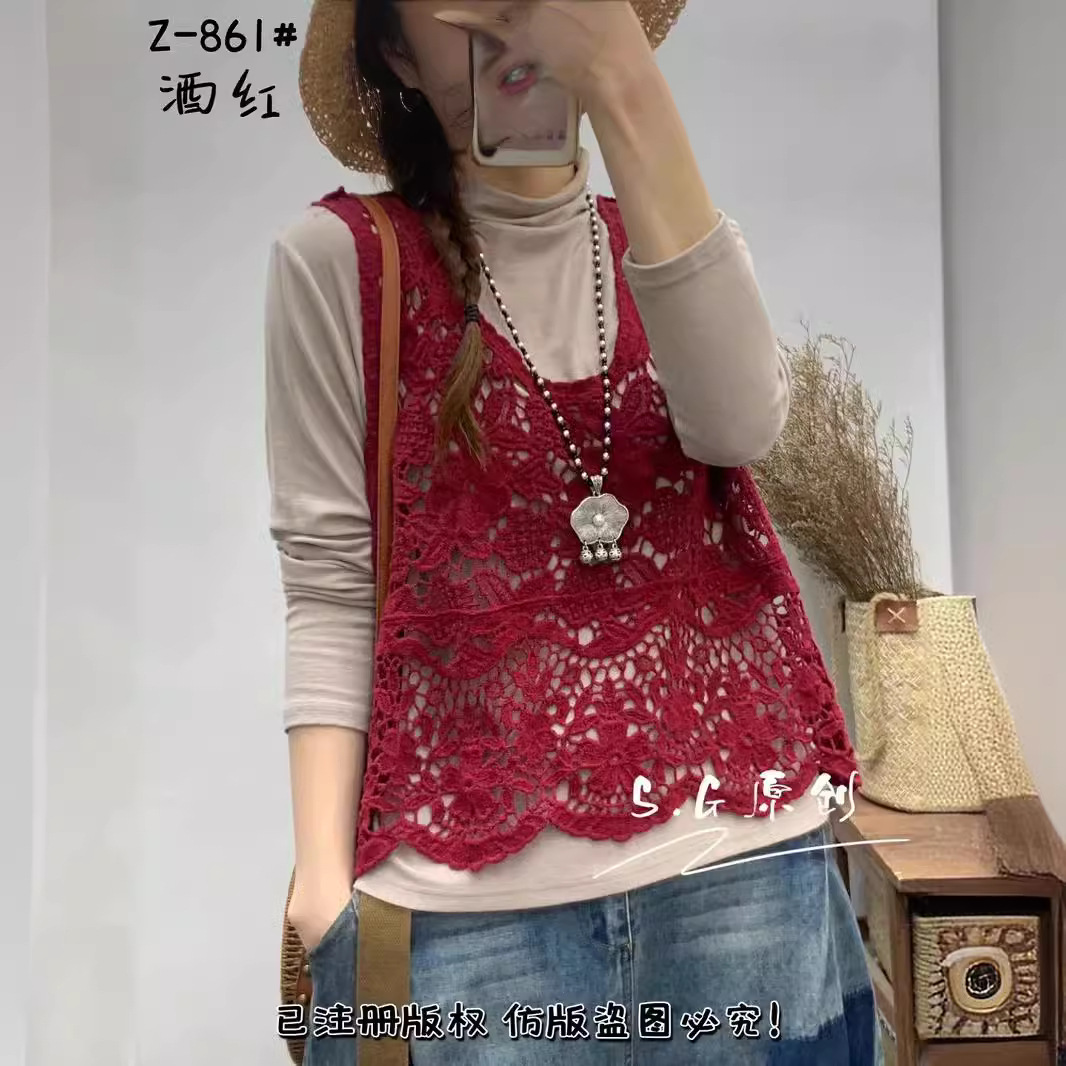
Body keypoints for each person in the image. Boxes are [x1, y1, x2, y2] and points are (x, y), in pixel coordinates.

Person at [265, 2, 881, 1063]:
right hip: (469, 917)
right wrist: (321, 886)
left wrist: (626, 83)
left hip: (740, 873)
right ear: (397, 50)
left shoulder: (668, 240)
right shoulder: (340, 260)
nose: (511, 22)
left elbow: (740, 428)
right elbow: (330, 585)